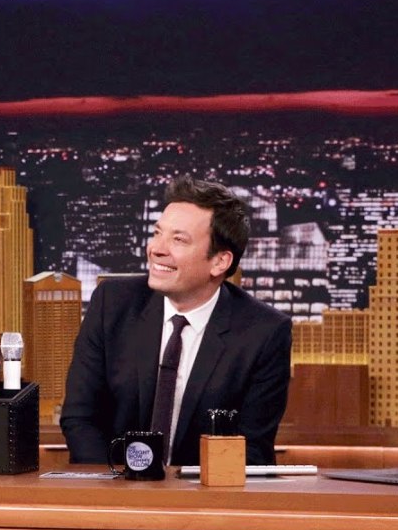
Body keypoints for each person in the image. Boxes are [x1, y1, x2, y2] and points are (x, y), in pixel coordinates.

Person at [60, 175, 291, 467]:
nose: (157, 249)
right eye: (157, 233)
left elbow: (251, 447)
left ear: (220, 262)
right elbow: (80, 418)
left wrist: (182, 491)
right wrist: (119, 485)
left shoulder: (264, 332)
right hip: (115, 486)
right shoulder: (113, 304)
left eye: (178, 239)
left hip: (206, 492)